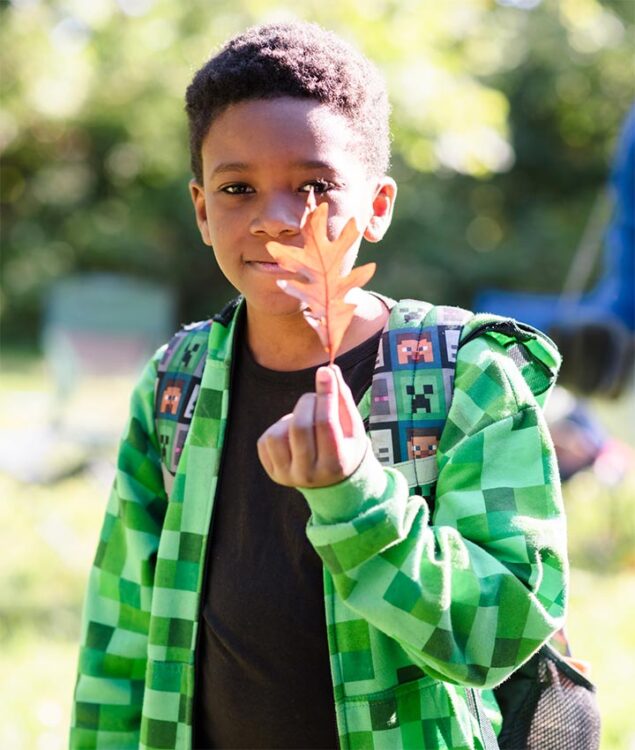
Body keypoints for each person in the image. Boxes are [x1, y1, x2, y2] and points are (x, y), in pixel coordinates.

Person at [70, 22, 567, 750]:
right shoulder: (173, 386)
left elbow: (500, 635)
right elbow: (120, 635)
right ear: (202, 211)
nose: (276, 220)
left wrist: (357, 500)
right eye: (237, 188)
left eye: (313, 186)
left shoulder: (469, 377)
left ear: (377, 204)